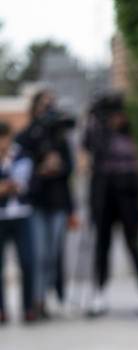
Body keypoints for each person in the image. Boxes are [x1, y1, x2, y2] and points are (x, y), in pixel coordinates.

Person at [82, 93, 138, 316]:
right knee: (102, 243)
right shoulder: (97, 129)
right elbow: (88, 150)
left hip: (129, 189)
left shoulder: (132, 129)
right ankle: (99, 293)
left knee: (134, 242)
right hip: (104, 190)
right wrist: (100, 126)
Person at [17, 88, 76, 319]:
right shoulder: (28, 136)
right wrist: (39, 168)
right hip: (36, 204)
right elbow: (21, 167)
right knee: (39, 254)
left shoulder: (60, 138)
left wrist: (59, 165)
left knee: (54, 254)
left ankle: (52, 297)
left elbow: (70, 169)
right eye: (44, 105)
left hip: (58, 202)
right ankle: (37, 300)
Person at [0, 122, 37, 325]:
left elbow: (22, 185)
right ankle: (1, 309)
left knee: (28, 261)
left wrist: (8, 185)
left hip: (21, 215)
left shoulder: (22, 155)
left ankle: (28, 306)